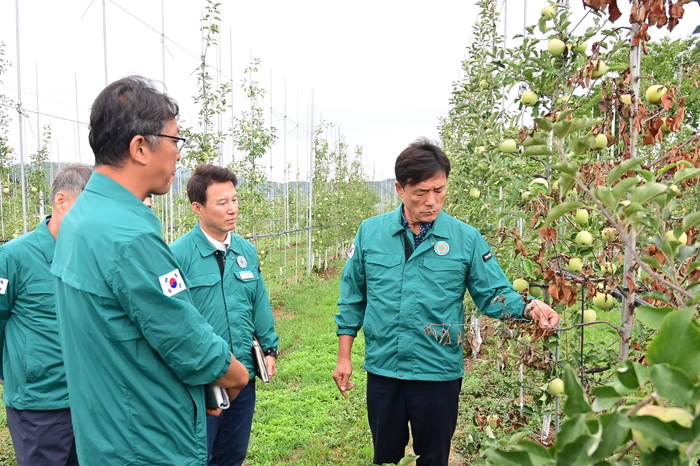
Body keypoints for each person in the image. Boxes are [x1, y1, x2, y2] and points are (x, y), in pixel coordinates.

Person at [51, 76, 249, 465]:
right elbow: (184, 337)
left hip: (108, 430)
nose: (178, 155)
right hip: (148, 440)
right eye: (175, 141)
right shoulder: (127, 234)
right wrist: (236, 374)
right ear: (140, 147)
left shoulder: (81, 218)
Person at [332, 138, 560, 466]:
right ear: (400, 189)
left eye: (439, 190)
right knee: (385, 457)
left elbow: (493, 293)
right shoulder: (371, 233)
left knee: (434, 457)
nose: (432, 201)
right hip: (384, 369)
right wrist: (344, 357)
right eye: (421, 192)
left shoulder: (464, 238)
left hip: (437, 371)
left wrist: (528, 306)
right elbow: (353, 297)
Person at [171, 164, 279, 466]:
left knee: (233, 453)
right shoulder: (177, 256)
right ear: (198, 208)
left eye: (234, 200)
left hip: (242, 373)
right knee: (199, 454)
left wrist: (269, 348)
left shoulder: (245, 250)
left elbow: (259, 302)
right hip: (203, 379)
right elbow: (174, 320)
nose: (232, 209)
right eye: (222, 202)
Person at [0, 164, 92, 466]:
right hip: (40, 403)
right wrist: (17, 372)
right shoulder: (15, 257)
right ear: (61, 201)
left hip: (90, 400)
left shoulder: (92, 256)